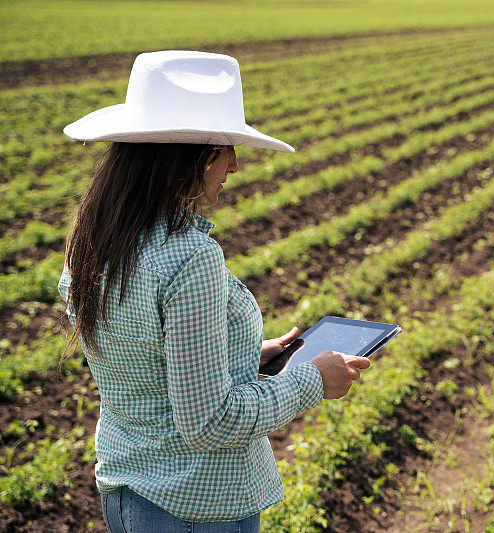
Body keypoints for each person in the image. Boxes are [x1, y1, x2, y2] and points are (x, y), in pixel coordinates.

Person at [57, 50, 370, 532]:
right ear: (202, 157)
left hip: (129, 491)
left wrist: (242, 355)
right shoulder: (190, 258)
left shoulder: (95, 239)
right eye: (228, 151)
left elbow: (145, 359)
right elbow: (209, 423)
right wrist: (312, 380)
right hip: (197, 506)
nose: (236, 167)